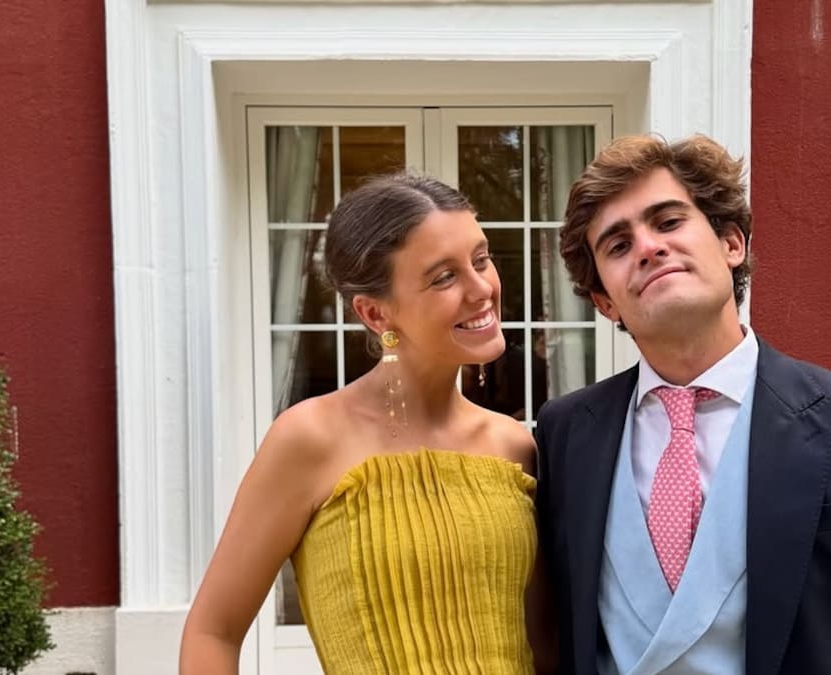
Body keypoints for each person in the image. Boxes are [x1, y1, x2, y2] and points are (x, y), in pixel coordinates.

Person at [534, 134, 831, 674]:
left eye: (668, 222)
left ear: (731, 244)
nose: (648, 247)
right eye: (618, 246)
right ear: (605, 301)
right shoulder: (565, 432)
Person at [180, 173, 553, 674]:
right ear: (375, 314)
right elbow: (213, 632)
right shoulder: (311, 438)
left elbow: (546, 645)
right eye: (444, 277)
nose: (481, 287)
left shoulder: (514, 447)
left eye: (480, 259)